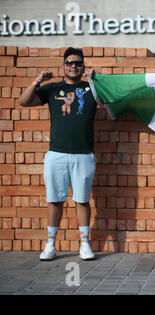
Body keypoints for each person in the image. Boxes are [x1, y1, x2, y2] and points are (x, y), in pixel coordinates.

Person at [19, 47, 98, 261]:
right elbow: (23, 101)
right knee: (54, 200)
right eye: (70, 63)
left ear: (82, 66)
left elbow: (114, 99)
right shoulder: (53, 88)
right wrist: (38, 80)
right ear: (63, 66)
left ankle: (84, 244)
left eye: (78, 63)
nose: (74, 66)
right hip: (57, 154)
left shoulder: (92, 88)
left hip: (84, 154)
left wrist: (98, 79)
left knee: (81, 200)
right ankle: (51, 244)